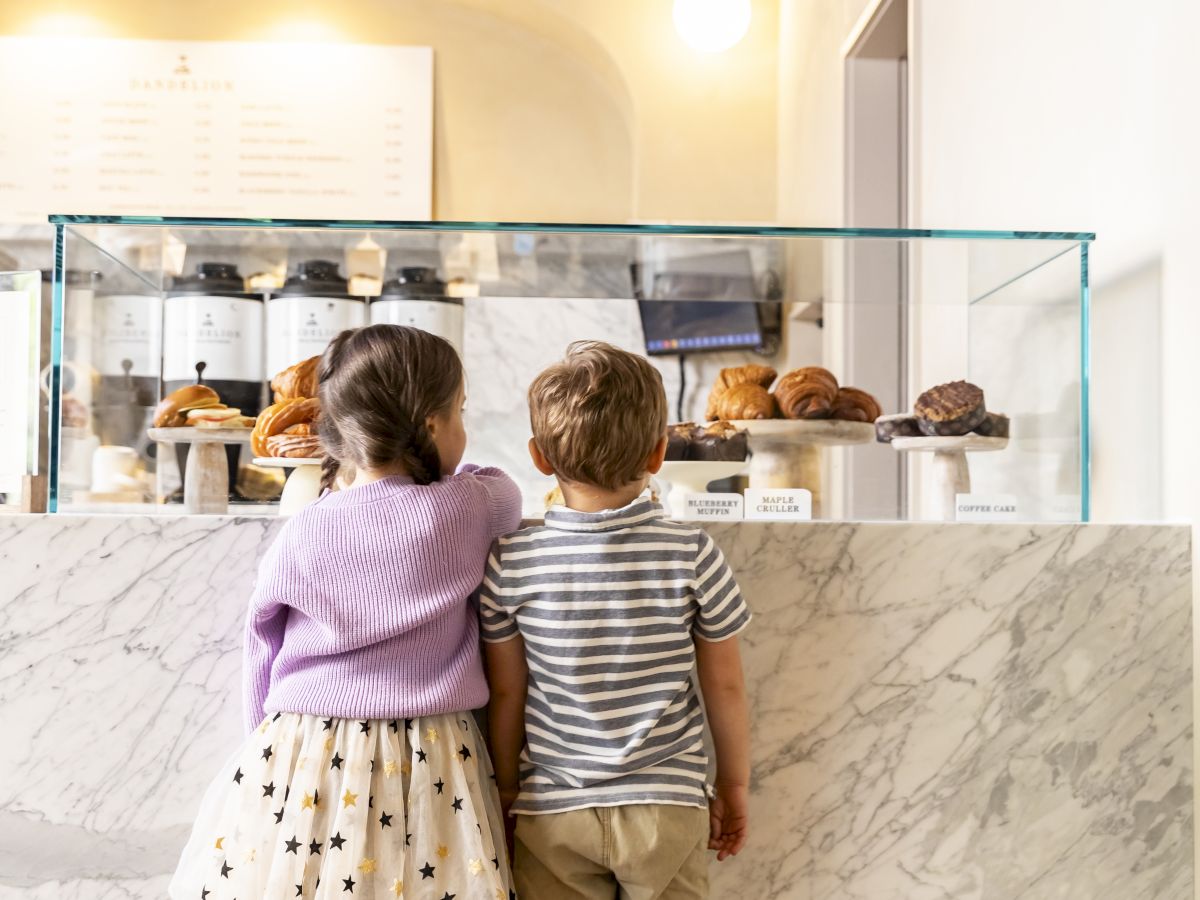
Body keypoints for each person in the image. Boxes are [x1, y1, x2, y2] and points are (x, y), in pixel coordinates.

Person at [170, 324, 521, 900]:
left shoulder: (307, 526)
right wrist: (449, 469)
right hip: (429, 753)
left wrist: (262, 742)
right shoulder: (467, 505)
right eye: (459, 412)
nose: (465, 428)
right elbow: (507, 491)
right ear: (431, 425)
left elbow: (262, 643)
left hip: (307, 748)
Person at [481, 341, 751, 900]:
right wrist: (734, 784)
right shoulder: (691, 553)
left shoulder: (510, 562)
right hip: (668, 808)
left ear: (538, 457)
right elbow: (723, 684)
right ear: (659, 454)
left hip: (554, 811)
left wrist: (505, 789)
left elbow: (508, 693)